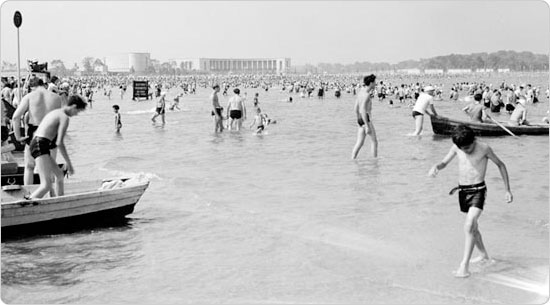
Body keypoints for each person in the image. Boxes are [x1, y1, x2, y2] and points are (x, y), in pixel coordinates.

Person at [428, 125, 512, 278]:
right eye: (463, 148)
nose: (466, 150)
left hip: (478, 190)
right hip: (463, 191)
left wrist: (507, 190)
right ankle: (483, 255)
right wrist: (436, 167)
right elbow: (444, 163)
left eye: (468, 147)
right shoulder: (456, 147)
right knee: (473, 227)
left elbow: (501, 165)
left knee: (469, 224)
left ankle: (464, 266)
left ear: (474, 139)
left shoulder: (484, 148)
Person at [27, 95, 87, 199]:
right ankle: (27, 204)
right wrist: (69, 163)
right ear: (73, 106)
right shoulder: (64, 117)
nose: (76, 114)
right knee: (46, 185)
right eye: (77, 111)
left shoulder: (55, 112)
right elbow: (59, 143)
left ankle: (59, 201)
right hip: (39, 145)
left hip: (38, 143)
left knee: (59, 175)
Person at [12, 77, 62, 185]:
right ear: (43, 85)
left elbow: (16, 117)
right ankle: (52, 196)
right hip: (51, 131)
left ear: (31, 87)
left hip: (36, 131)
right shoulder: (57, 98)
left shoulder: (30, 96)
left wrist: (18, 137)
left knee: (30, 166)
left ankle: (28, 194)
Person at [351, 74, 378, 159]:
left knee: (360, 142)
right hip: (365, 118)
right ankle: (375, 161)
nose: (375, 84)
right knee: (374, 141)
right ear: (370, 83)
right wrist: (366, 125)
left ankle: (353, 158)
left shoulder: (361, 91)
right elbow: (362, 109)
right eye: (374, 82)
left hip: (360, 118)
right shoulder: (366, 95)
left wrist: (358, 119)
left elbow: (356, 108)